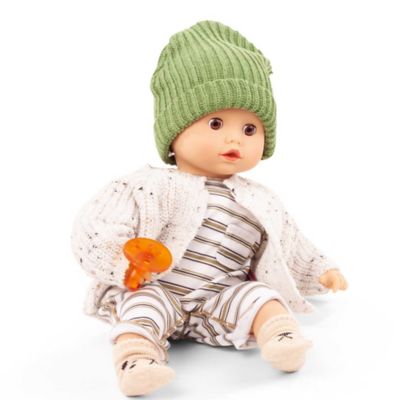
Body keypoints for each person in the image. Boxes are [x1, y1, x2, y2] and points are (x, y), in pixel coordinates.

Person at [71, 20, 348, 397]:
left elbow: (290, 243)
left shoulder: (261, 199)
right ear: (174, 131)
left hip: (222, 296)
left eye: (249, 129)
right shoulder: (148, 185)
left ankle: (281, 338)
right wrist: (121, 262)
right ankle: (137, 360)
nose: (235, 138)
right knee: (140, 309)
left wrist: (321, 269)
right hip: (157, 287)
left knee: (261, 297)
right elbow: (96, 226)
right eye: (216, 123)